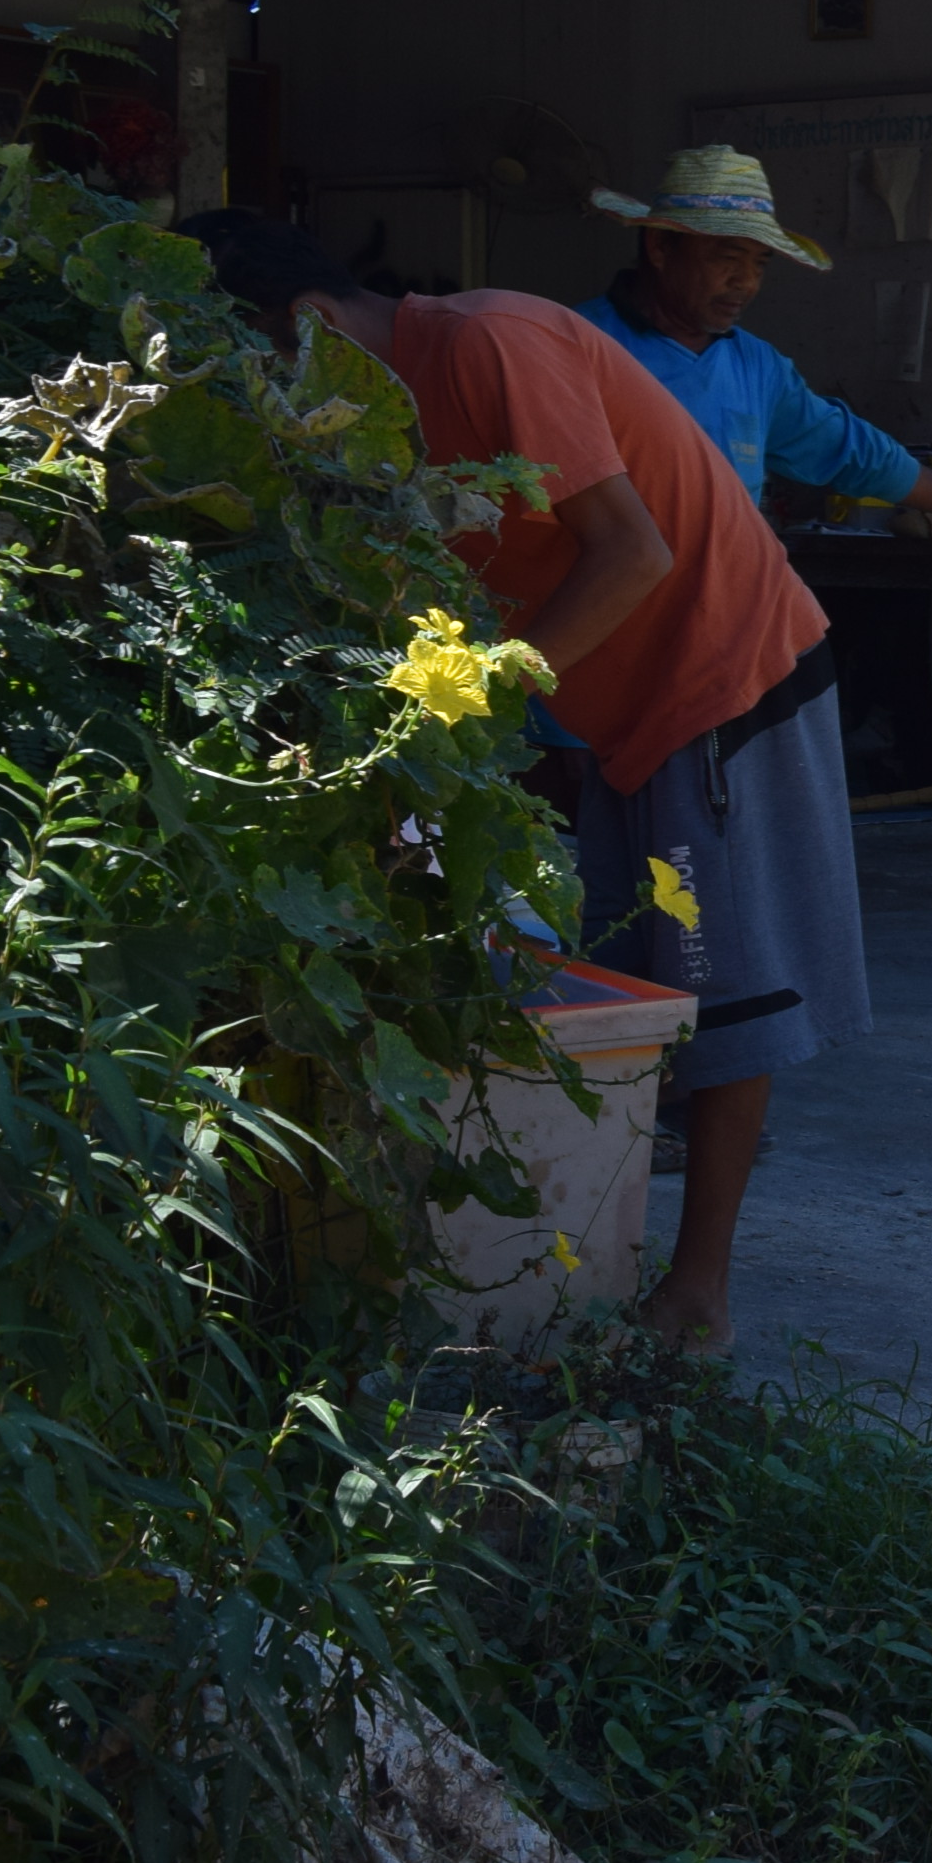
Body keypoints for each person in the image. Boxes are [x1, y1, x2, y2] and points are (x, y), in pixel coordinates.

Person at [186, 208, 864, 1353]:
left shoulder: (492, 341)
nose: (262, 409)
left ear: (307, 326)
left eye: (253, 372)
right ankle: (607, 1256)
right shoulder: (368, 439)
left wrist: (465, 711)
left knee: (725, 997)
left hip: (721, 670)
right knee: (635, 987)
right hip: (612, 711)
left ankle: (698, 1297)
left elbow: (633, 554)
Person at [574, 145, 932, 581]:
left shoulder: (756, 366)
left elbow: (848, 448)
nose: (745, 282)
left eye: (759, 264)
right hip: (614, 604)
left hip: (724, 600)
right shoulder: (575, 346)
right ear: (659, 246)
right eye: (728, 257)